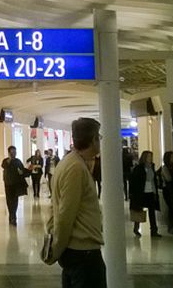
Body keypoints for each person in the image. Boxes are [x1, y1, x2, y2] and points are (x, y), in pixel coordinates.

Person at [46, 117, 105, 287]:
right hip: (82, 253)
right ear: (92, 139)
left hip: (77, 252)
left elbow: (54, 206)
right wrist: (56, 248)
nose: (100, 140)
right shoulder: (76, 168)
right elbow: (65, 213)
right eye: (98, 137)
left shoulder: (69, 163)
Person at [129, 150, 161, 238]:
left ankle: (154, 230)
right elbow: (134, 181)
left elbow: (153, 179)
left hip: (151, 192)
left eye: (151, 157)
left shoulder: (152, 167)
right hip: (141, 192)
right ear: (144, 158)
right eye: (149, 157)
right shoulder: (139, 168)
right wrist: (131, 193)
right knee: (138, 210)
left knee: (152, 212)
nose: (150, 159)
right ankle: (136, 228)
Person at [1, 146, 29, 225]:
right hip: (8, 184)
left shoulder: (18, 161)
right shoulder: (6, 161)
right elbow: (4, 166)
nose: (14, 153)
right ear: (9, 152)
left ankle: (13, 217)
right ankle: (12, 216)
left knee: (15, 201)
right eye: (12, 152)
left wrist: (24, 172)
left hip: (16, 184)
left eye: (15, 152)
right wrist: (10, 159)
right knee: (9, 201)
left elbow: (23, 170)